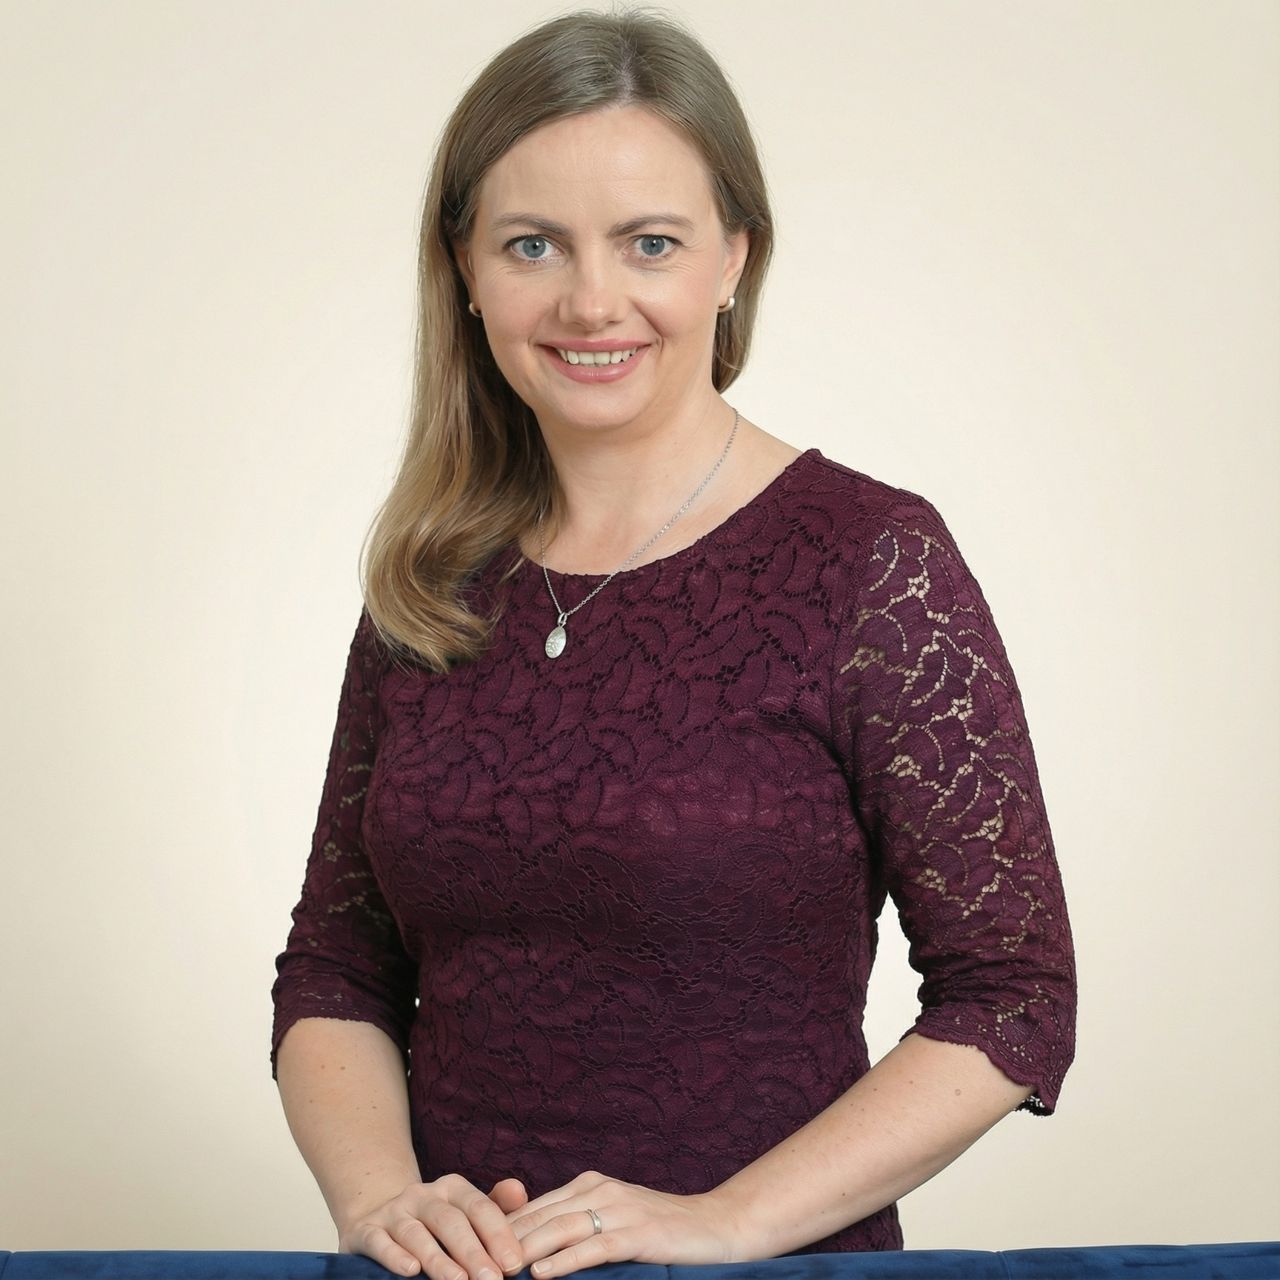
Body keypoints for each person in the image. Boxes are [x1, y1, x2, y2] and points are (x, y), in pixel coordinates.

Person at [271, 10, 1076, 1280]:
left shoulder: (868, 559)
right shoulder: (430, 581)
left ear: (732, 258)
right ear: (465, 269)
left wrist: (729, 1220)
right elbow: (335, 971)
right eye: (531, 243)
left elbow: (1013, 994)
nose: (591, 300)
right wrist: (382, 1200)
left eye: (649, 242)